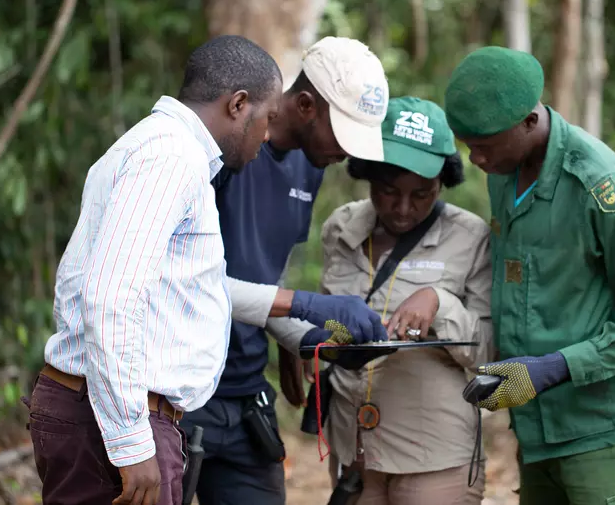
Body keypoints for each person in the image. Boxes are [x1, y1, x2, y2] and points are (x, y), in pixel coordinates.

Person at [28, 35, 386, 505]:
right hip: (124, 411)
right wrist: (131, 442)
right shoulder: (171, 159)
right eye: (263, 118)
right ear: (239, 105)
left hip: (157, 407)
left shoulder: (178, 155)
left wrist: (298, 338)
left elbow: (188, 286)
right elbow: (109, 297)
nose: (265, 131)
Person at [444, 46, 615, 505]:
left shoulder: (600, 185)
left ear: (529, 122)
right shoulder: (504, 171)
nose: (475, 160)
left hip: (604, 435)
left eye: (485, 146)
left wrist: (552, 369)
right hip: (536, 433)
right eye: (468, 145)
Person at [179, 36, 392, 505]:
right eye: (343, 135)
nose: (345, 155)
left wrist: (307, 340)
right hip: (180, 390)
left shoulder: (309, 166)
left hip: (245, 390)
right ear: (305, 104)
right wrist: (307, 305)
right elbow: (187, 285)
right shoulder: (219, 153)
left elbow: (262, 281)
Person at [295, 97, 495, 505]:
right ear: (366, 175)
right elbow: (328, 314)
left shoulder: (471, 237)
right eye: (388, 192)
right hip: (355, 454)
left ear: (442, 183)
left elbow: (491, 353)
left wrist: (439, 302)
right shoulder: (341, 229)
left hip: (433, 458)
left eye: (422, 194)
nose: (404, 208)